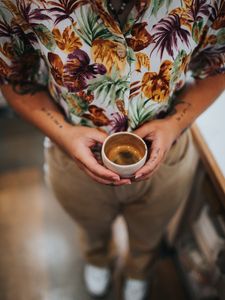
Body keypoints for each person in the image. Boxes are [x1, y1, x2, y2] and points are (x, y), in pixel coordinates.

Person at [0, 0, 224, 299]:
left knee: (149, 235)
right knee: (91, 229)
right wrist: (64, 134)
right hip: (73, 160)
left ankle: (138, 270)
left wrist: (174, 124)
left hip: (167, 158)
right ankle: (98, 259)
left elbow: (217, 67)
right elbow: (14, 78)